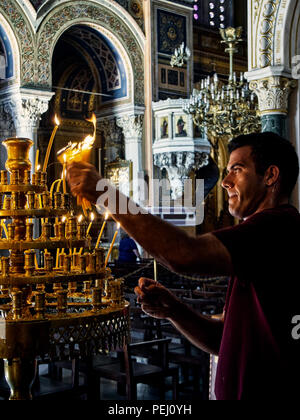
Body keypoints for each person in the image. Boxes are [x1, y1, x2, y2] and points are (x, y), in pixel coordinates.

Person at [67, 132, 300, 400]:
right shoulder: (263, 234)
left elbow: (184, 254)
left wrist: (106, 194)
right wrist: (174, 310)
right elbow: (223, 339)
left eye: (237, 169)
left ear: (270, 176)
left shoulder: (275, 228)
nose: (225, 182)